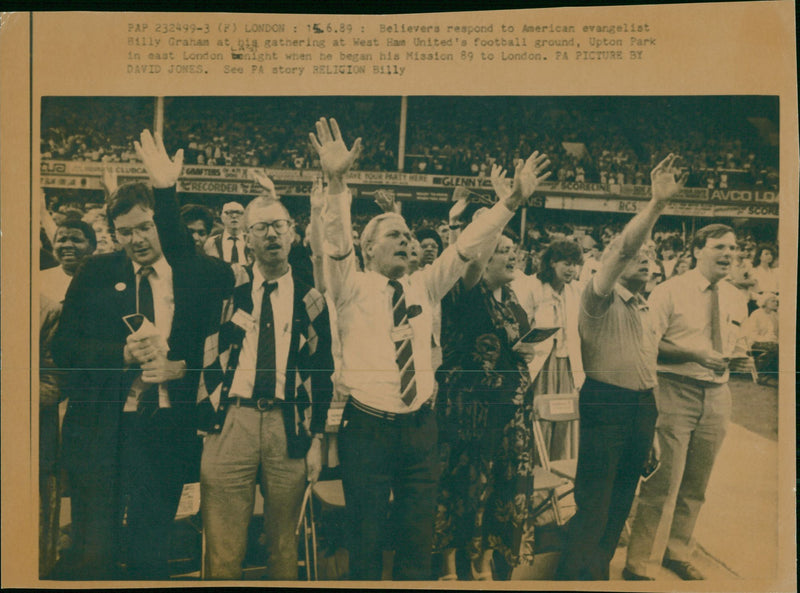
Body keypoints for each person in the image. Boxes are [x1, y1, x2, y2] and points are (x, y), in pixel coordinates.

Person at [309, 117, 548, 580]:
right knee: (366, 542)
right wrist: (337, 183)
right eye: (393, 235)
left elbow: (467, 245)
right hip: (368, 430)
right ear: (369, 248)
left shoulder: (424, 285)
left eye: (408, 235)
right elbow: (336, 245)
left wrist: (509, 203)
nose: (405, 241)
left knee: (417, 542)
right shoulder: (349, 285)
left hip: (420, 429)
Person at [51, 131, 233, 579]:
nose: (136, 240)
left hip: (167, 430)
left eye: (145, 227)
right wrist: (121, 355)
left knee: (152, 552)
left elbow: (220, 351)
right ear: (112, 235)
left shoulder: (198, 277)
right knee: (96, 551)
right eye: (124, 232)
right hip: (104, 431)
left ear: (160, 225)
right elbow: (64, 348)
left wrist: (184, 367)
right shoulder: (96, 273)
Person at [555, 154, 687, 581]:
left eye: (652, 258)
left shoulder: (645, 306)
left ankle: (598, 573)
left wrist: (651, 419)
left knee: (622, 501)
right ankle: (575, 578)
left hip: (641, 407)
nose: (646, 261)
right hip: (607, 403)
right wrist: (656, 204)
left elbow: (646, 369)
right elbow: (624, 246)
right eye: (639, 257)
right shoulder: (598, 298)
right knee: (595, 502)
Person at [198, 190, 335, 580]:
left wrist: (316, 440)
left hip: (287, 426)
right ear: (247, 238)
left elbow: (322, 374)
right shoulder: (227, 289)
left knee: (283, 545)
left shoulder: (311, 300)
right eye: (261, 227)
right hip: (231, 419)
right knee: (224, 549)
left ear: (293, 234)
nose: (272, 234)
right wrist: (207, 422)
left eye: (279, 226)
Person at [624, 223, 754, 581]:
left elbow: (732, 344)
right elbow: (648, 346)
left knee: (697, 484)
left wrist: (741, 358)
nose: (728, 254)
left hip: (717, 396)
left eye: (732, 248)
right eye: (719, 248)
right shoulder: (668, 291)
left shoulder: (735, 296)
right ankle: (639, 560)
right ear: (697, 250)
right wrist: (694, 354)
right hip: (674, 391)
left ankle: (677, 551)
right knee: (662, 482)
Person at [511, 239, 585, 462]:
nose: (572, 269)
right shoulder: (532, 286)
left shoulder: (576, 291)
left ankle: (560, 470)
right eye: (567, 263)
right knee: (539, 416)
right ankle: (535, 467)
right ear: (552, 262)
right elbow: (519, 323)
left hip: (567, 364)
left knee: (565, 419)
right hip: (540, 365)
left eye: (575, 264)